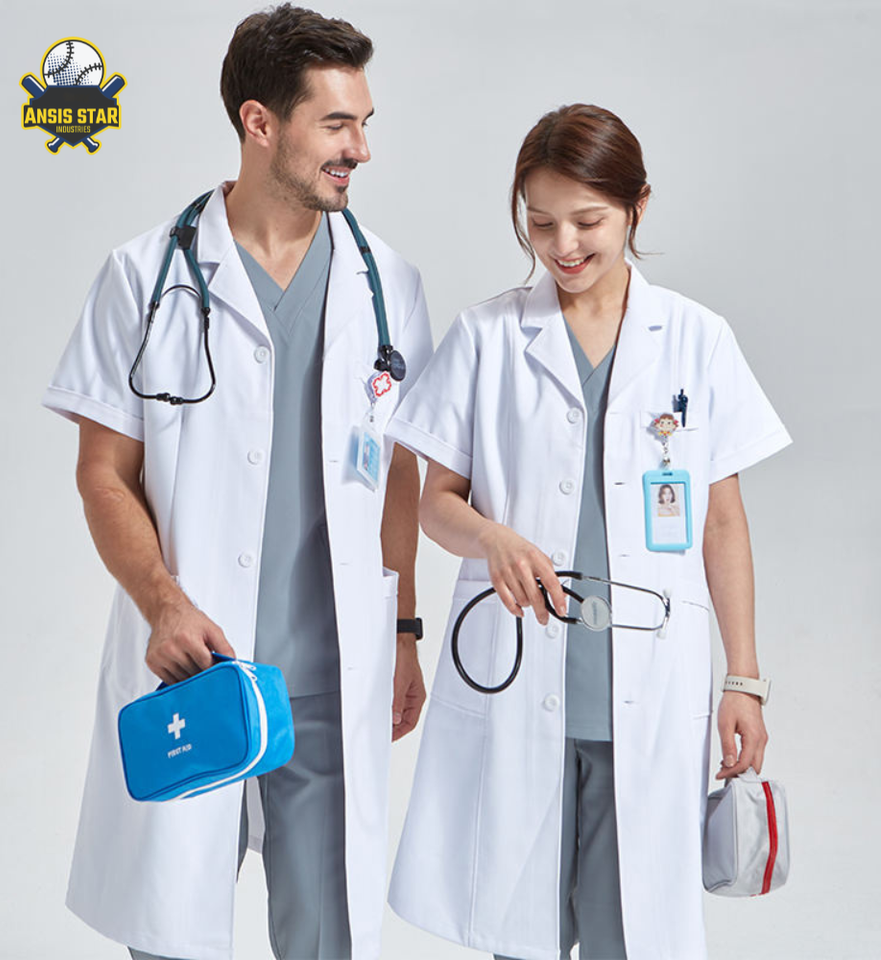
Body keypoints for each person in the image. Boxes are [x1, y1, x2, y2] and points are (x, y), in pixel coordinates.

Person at [42, 6, 432, 959]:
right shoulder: (143, 276)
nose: (362, 149)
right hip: (196, 663)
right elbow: (103, 475)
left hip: (334, 674)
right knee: (175, 934)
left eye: (364, 123)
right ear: (261, 123)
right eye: (337, 125)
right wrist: (164, 603)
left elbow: (397, 473)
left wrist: (404, 631)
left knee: (329, 938)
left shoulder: (389, 283)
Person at [386, 104, 790, 959]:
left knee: (627, 937)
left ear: (637, 206)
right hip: (516, 677)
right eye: (540, 223)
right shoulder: (488, 335)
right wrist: (492, 539)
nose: (562, 246)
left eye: (587, 221)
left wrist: (744, 679)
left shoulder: (697, 340)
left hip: (649, 690)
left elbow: (721, 520)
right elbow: (436, 502)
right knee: (519, 931)